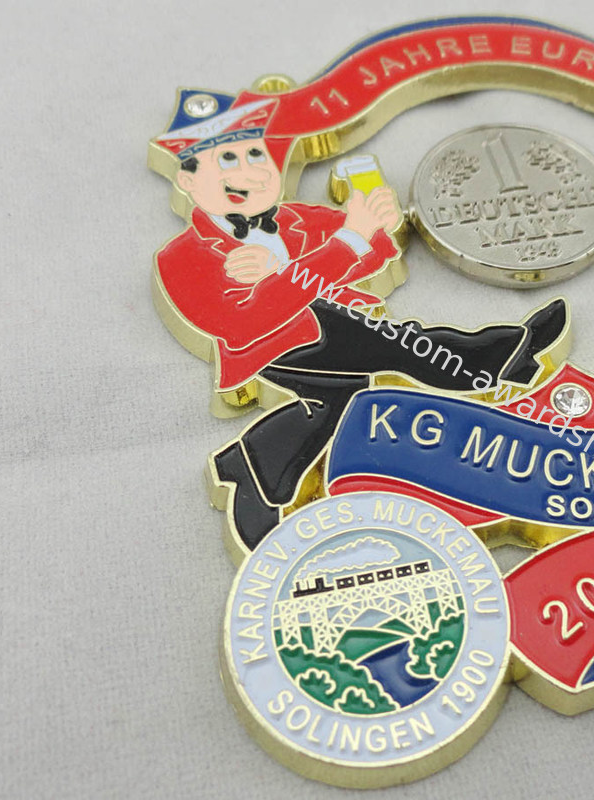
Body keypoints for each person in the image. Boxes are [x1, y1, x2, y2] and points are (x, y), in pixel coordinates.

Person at [152, 92, 565, 549]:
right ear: (187, 179)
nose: (249, 171)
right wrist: (339, 245)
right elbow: (243, 322)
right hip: (273, 348)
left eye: (256, 155)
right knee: (399, 346)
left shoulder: (296, 218)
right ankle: (506, 354)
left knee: (331, 409)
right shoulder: (181, 257)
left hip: (332, 323)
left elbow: (371, 258)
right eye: (227, 159)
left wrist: (374, 227)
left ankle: (250, 469)